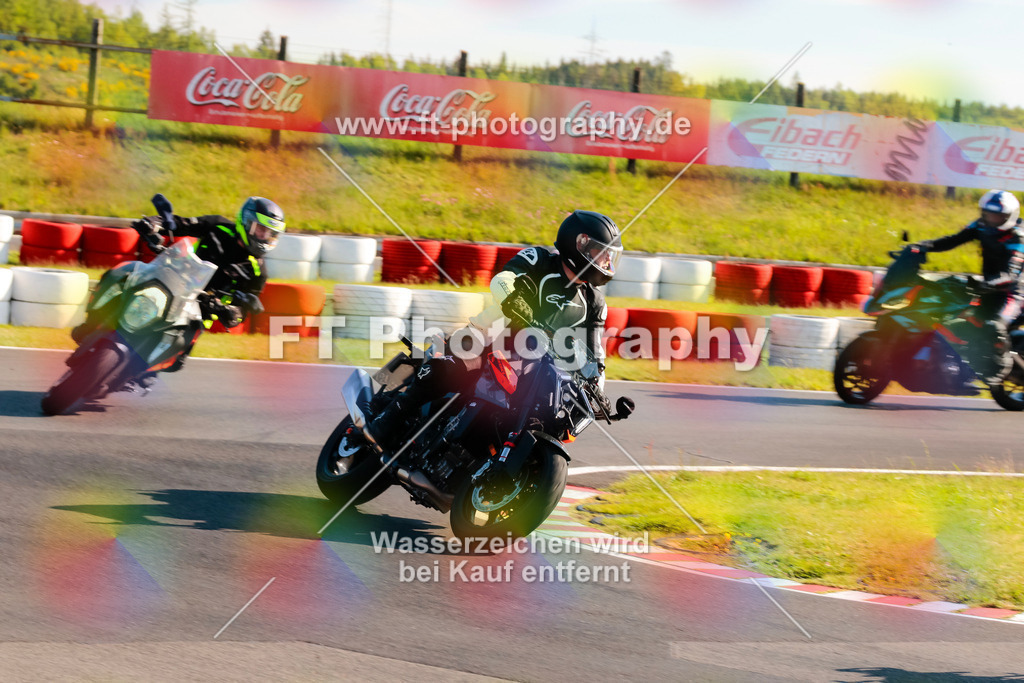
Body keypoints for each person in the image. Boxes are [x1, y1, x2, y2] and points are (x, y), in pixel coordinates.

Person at [366, 209, 625, 452]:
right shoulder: (539, 260)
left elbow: (595, 353)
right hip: (490, 337)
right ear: (579, 244)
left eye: (609, 256)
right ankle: (387, 420)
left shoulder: (594, 302)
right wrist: (514, 301)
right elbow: (502, 280)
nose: (606, 261)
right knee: (450, 369)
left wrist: (596, 389)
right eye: (601, 253)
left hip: (533, 364)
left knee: (548, 412)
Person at [73, 196, 285, 374]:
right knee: (124, 273)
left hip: (201, 310)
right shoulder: (218, 226)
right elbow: (180, 224)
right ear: (246, 221)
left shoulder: (258, 272)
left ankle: (144, 373)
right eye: (261, 230)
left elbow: (244, 309)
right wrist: (155, 224)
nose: (264, 237)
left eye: (270, 234)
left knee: (176, 361)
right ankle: (92, 323)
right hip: (172, 278)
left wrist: (232, 312)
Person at [915, 189, 1024, 385]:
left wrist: (993, 282)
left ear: (1009, 216)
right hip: (987, 290)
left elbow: (1012, 271)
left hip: (1012, 294)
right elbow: (953, 240)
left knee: (994, 326)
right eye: (988, 214)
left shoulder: (1017, 237)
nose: (991, 219)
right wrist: (923, 246)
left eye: (997, 216)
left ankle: (1000, 368)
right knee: (963, 321)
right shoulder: (980, 226)